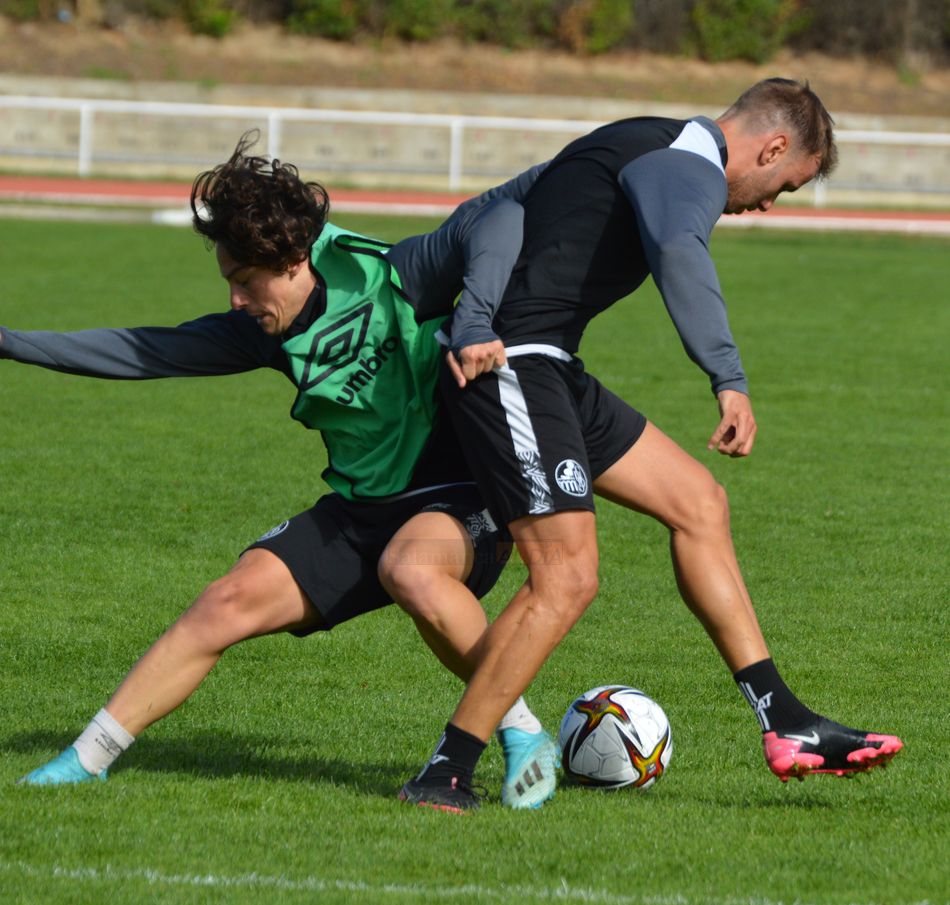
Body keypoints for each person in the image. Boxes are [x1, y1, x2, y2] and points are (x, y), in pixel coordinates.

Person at [4, 134, 560, 809]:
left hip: (461, 494)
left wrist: (474, 316)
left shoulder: (395, 272)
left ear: (294, 260)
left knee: (414, 569)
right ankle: (82, 762)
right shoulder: (260, 332)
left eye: (245, 280)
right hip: (362, 510)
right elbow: (143, 351)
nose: (236, 299)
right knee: (224, 602)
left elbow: (499, 215)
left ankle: (522, 733)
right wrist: (11, 343)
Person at [399, 79, 903, 812]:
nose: (767, 205)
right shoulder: (689, 164)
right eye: (783, 187)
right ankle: (447, 768)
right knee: (566, 576)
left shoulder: (641, 138)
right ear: (771, 148)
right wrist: (728, 377)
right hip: (510, 364)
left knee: (699, 502)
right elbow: (677, 249)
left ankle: (784, 720)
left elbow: (508, 203)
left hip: (549, 365)